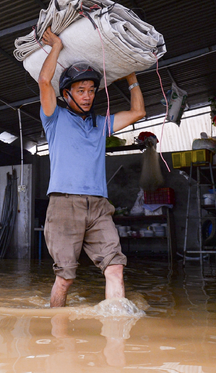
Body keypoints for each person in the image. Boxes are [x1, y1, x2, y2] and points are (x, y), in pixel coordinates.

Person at [38, 27, 146, 307]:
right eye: (81, 90)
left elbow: (138, 113)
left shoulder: (100, 124)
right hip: (64, 204)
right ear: (66, 94)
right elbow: (44, 81)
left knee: (115, 267)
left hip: (99, 206)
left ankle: (116, 339)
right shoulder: (54, 117)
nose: (88, 96)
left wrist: (131, 76)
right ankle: (57, 329)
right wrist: (57, 47)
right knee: (65, 278)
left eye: (91, 91)